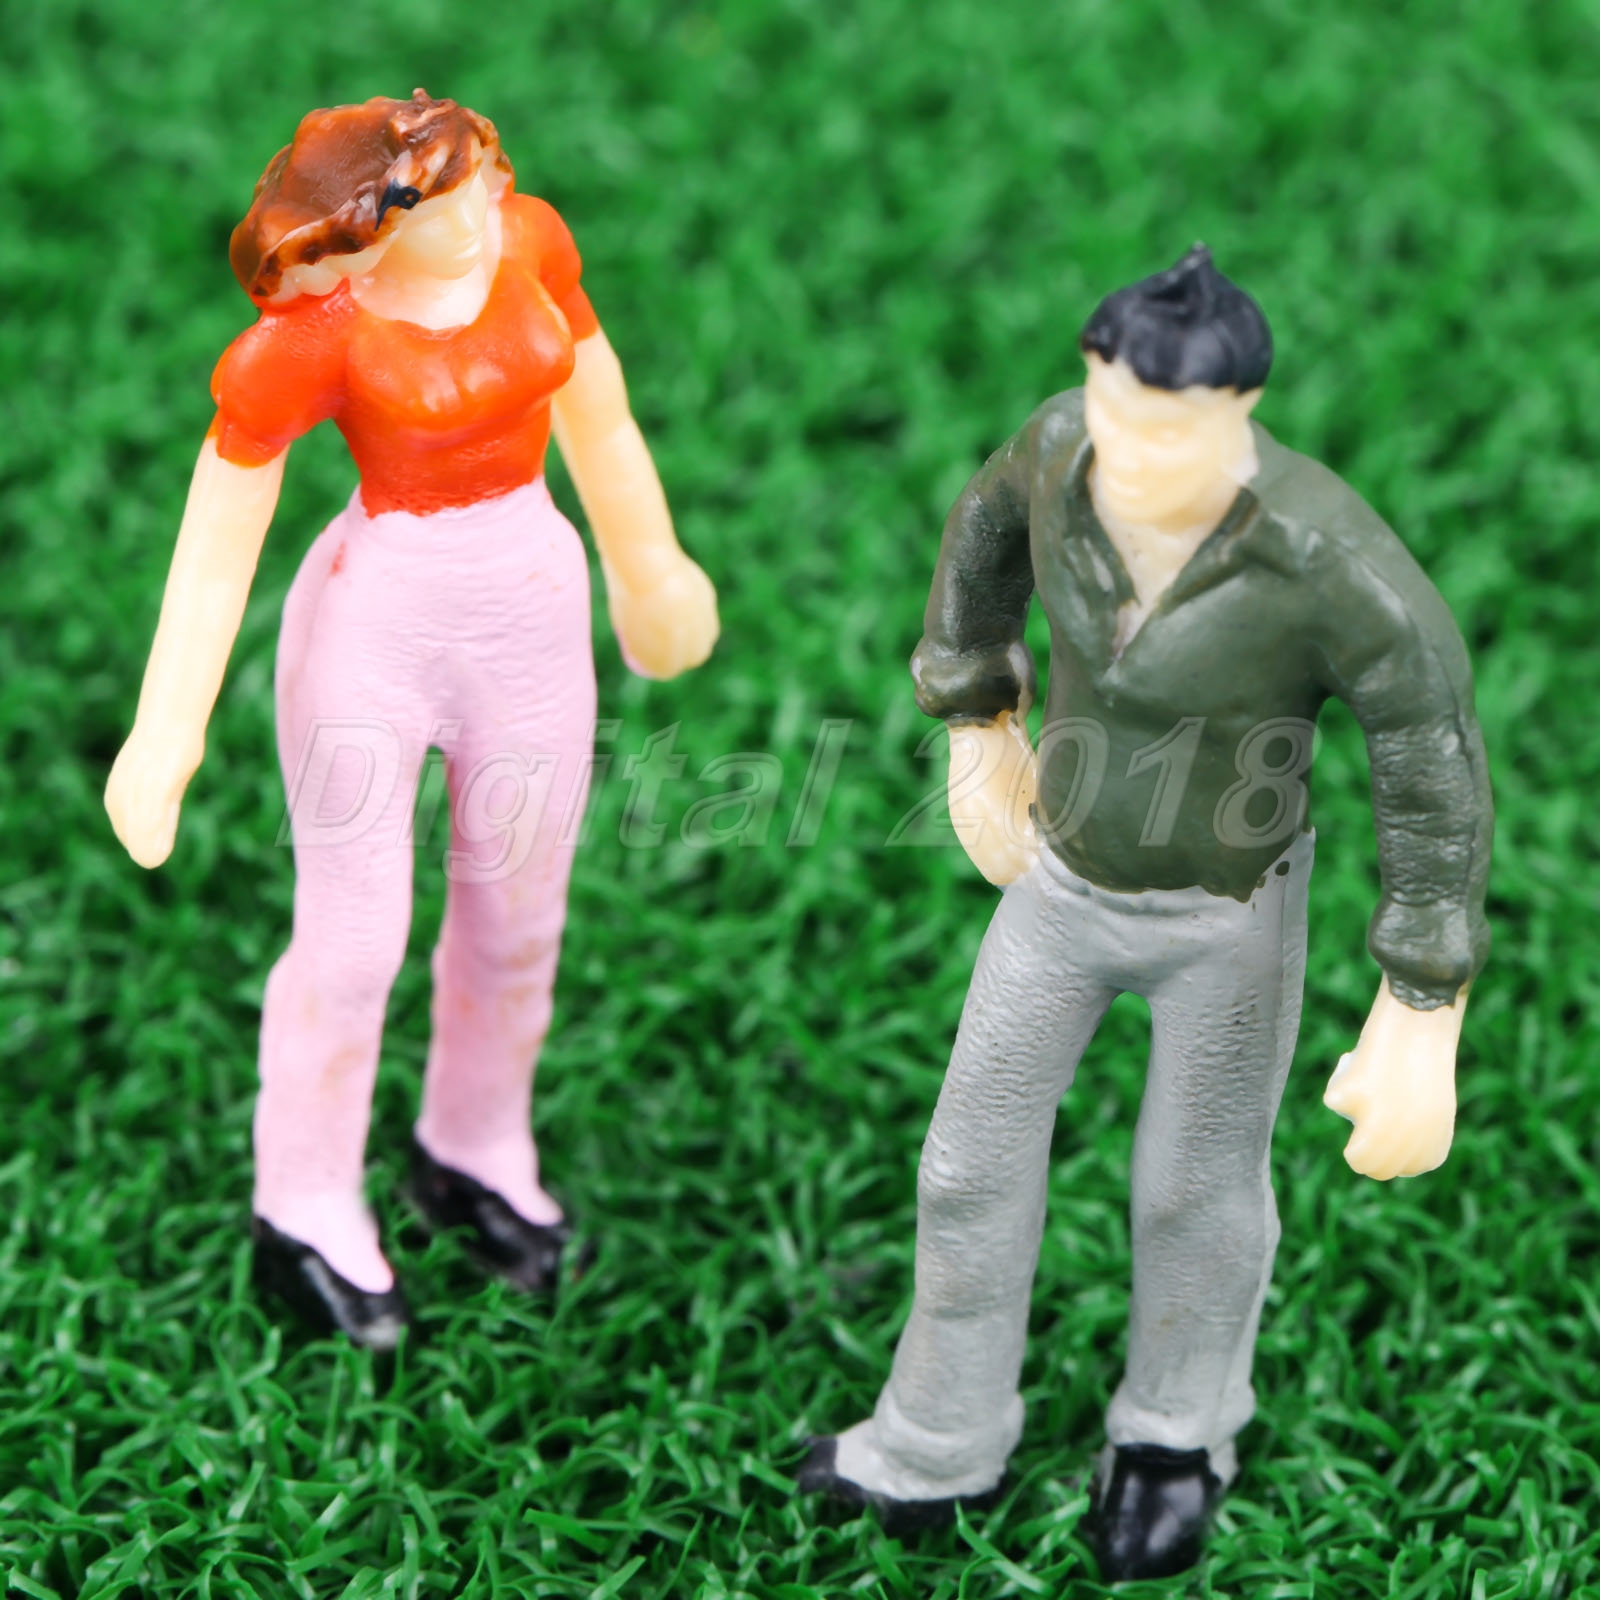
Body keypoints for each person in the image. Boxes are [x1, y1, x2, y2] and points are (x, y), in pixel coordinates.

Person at [799, 245, 1492, 1580]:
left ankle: (1177, 1434)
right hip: (1060, 881)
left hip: (1226, 911)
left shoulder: (1323, 556)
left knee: (1193, 1189)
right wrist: (976, 718)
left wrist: (1422, 1001)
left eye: (1167, 426)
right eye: (1110, 406)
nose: (1127, 447)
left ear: (1239, 412)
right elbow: (981, 537)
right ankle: (938, 1437)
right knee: (967, 1165)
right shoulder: (1060, 453)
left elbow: (1428, 753)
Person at [104, 91, 719, 1348]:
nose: (480, 209)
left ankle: (477, 1141)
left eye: (483, 173)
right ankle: (303, 1200)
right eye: (443, 203)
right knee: (352, 941)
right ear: (374, 232)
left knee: (518, 913)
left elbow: (597, 404)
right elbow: (222, 528)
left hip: (528, 601)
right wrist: (166, 726)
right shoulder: (317, 334)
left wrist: (648, 563)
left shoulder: (531, 243)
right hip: (378, 627)